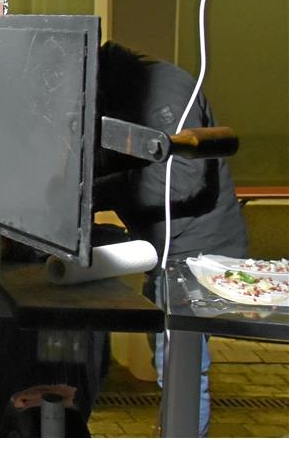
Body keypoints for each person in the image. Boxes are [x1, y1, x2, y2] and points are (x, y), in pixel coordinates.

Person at [93, 41, 248, 437]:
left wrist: (93, 193)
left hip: (196, 253)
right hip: (169, 248)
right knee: (169, 360)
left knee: (181, 367)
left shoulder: (161, 92)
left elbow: (178, 181)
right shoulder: (127, 92)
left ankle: (183, 444)